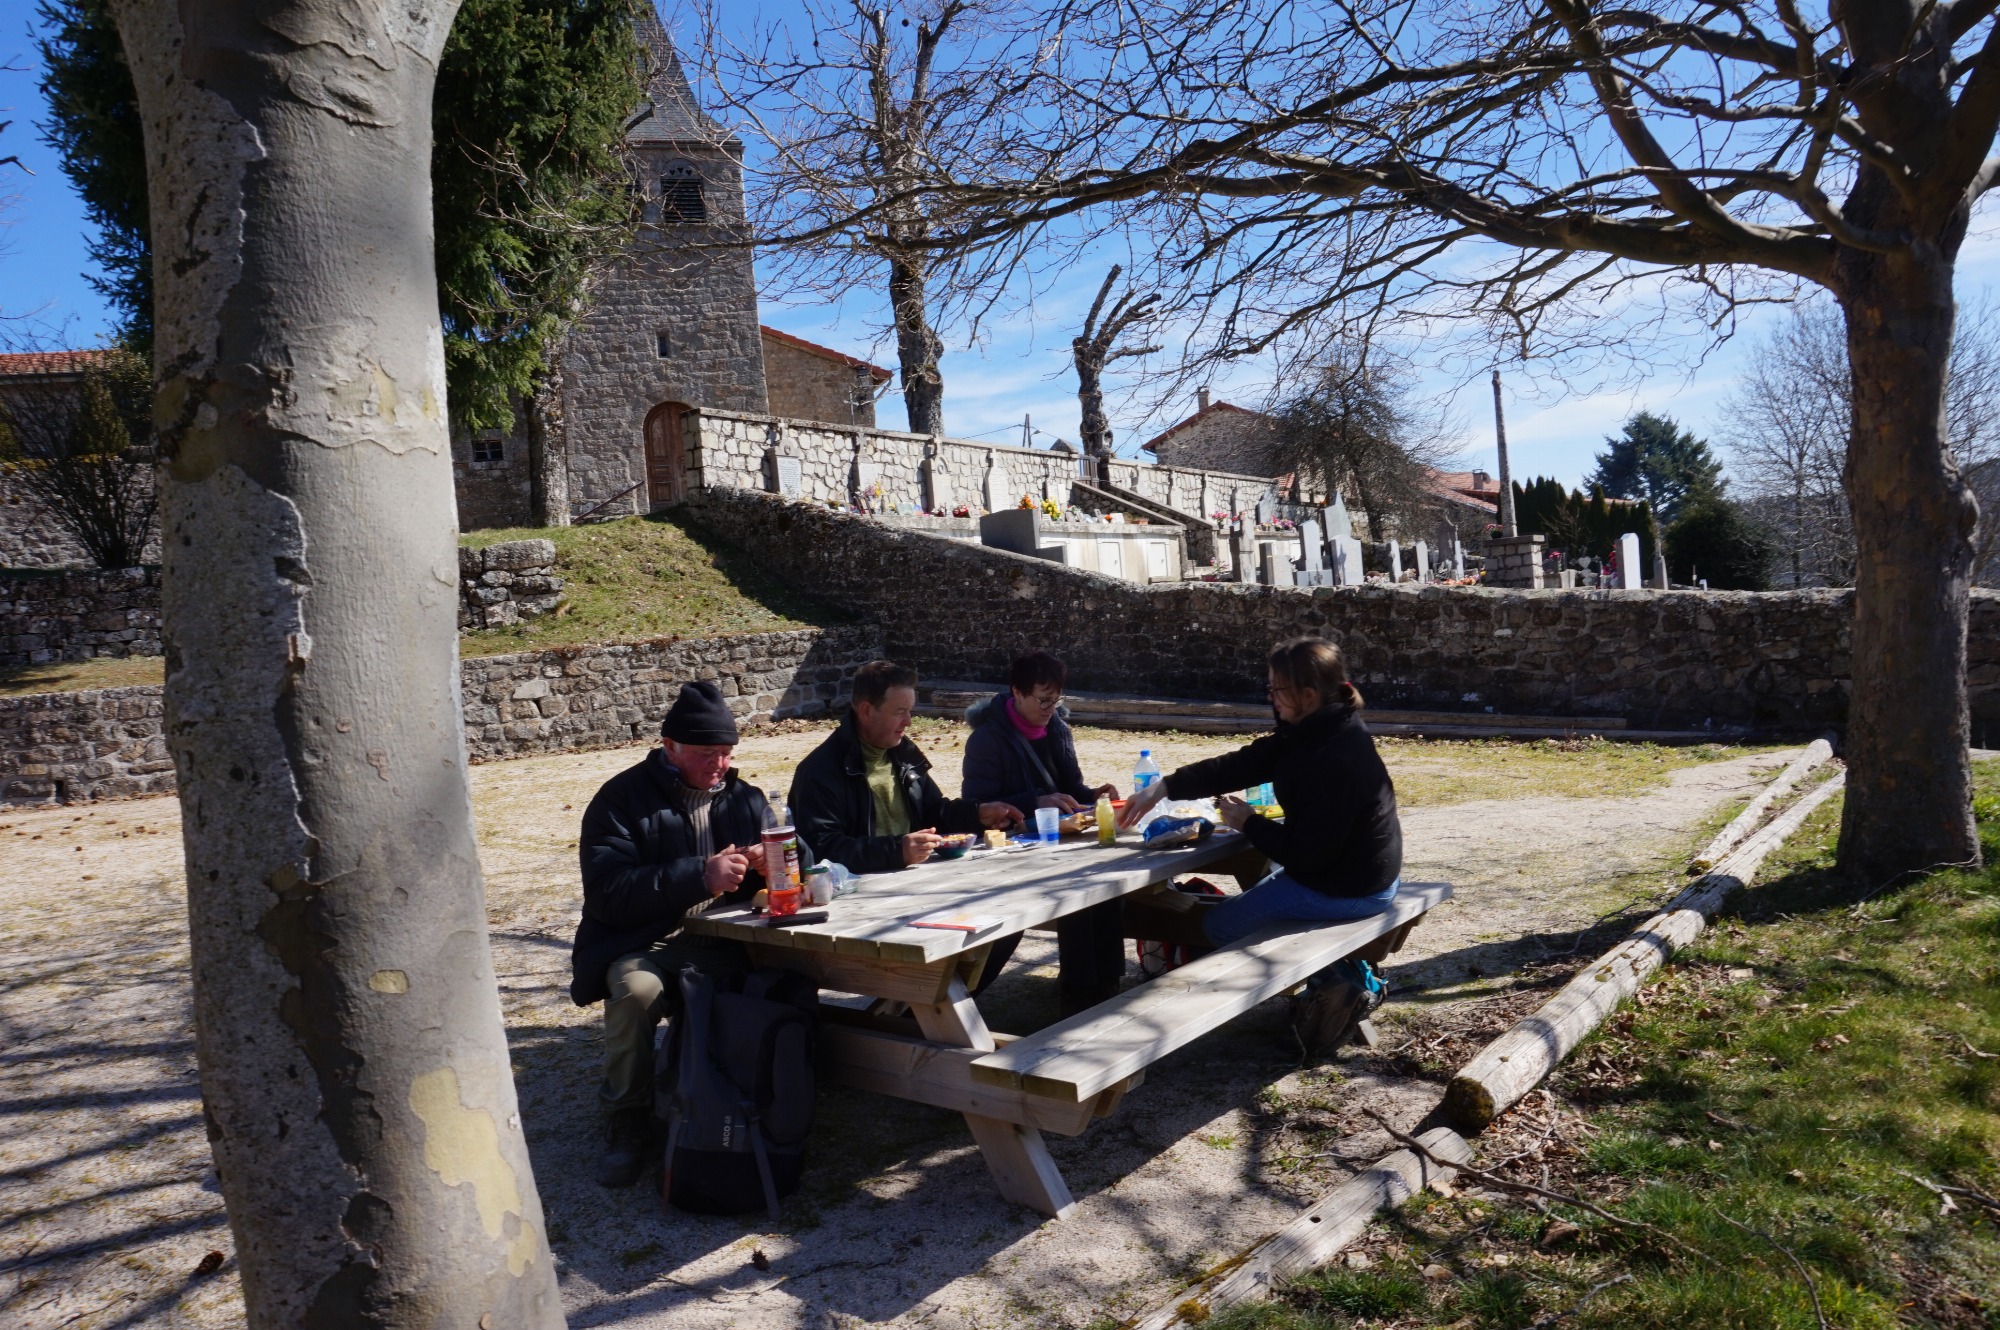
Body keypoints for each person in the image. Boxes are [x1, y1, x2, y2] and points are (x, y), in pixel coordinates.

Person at [1119, 636, 1402, 1053]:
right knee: (1251, 898)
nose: (1271, 697)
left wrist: (1250, 823)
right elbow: (1246, 763)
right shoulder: (1316, 728)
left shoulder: (1333, 755)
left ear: (1308, 695)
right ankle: (1329, 977)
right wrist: (1164, 787)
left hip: (1351, 887)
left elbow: (1307, 856)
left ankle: (1338, 982)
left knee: (1219, 925)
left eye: (1278, 689)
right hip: (1349, 874)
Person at [571, 680, 766, 1188]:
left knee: (790, 976)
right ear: (670, 747)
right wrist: (700, 875)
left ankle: (775, 1091)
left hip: (730, 941)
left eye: (726, 753)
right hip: (648, 945)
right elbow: (608, 893)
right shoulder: (620, 800)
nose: (719, 765)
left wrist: (777, 862)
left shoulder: (745, 799)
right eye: (706, 754)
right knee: (635, 993)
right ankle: (626, 1118)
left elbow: (795, 855)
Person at [962, 651, 1126, 1012]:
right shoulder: (987, 740)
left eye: (1057, 699)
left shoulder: (1058, 729)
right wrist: (1036, 801)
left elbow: (1071, 788)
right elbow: (976, 806)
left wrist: (1094, 796)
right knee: (1075, 887)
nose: (1051, 708)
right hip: (1010, 848)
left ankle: (1108, 979)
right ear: (1017, 692)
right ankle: (1080, 989)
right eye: (1043, 700)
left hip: (1058, 839)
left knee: (1107, 876)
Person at [789, 659, 1023, 877]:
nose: (909, 721)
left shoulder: (903, 753)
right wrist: (896, 850)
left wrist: (977, 814)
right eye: (900, 712)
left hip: (914, 880)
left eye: (910, 711)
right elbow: (818, 848)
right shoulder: (819, 771)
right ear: (867, 711)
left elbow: (933, 812)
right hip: (857, 892)